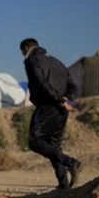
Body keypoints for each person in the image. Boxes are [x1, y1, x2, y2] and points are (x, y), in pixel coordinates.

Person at [20, 38, 82, 190]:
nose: (23, 55)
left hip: (47, 106)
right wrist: (67, 100)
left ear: (27, 48)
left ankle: (71, 163)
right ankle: (64, 184)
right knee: (53, 145)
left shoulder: (32, 61)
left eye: (22, 52)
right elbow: (73, 86)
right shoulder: (57, 62)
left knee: (35, 141)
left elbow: (41, 83)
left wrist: (58, 98)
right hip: (61, 109)